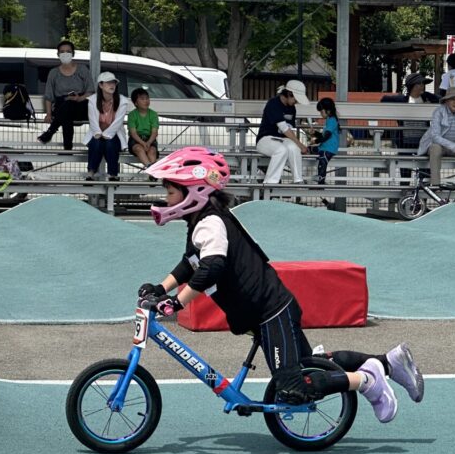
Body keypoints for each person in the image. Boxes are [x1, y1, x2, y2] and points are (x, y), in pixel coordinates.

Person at [139, 146, 426, 422]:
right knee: (308, 363)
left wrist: (177, 302)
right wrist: (160, 289)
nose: (166, 198)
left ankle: (367, 379)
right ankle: (390, 363)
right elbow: (190, 263)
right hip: (264, 311)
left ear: (195, 191)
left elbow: (211, 268)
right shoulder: (201, 223)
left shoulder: (210, 223)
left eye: (171, 191)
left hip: (269, 311)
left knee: (292, 386)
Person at [417, 87, 455, 188]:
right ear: (446, 101)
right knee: (435, 148)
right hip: (441, 146)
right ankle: (435, 184)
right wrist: (453, 146)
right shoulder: (438, 112)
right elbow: (435, 136)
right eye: (452, 99)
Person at [38, 40, 93, 150]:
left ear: (73, 53)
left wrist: (79, 98)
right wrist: (48, 114)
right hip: (61, 106)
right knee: (66, 110)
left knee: (69, 105)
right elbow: (49, 95)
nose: (65, 54)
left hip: (80, 106)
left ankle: (50, 132)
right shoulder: (54, 73)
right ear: (58, 54)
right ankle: (67, 148)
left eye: (68, 51)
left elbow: (91, 91)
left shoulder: (82, 69)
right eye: (62, 52)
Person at [256, 80, 310, 185]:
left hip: (282, 139)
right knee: (281, 150)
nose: (296, 102)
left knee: (294, 147)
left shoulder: (292, 108)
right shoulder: (273, 103)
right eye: (295, 99)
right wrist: (301, 145)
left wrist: (298, 145)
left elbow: (288, 130)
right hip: (265, 139)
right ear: (289, 94)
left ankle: (298, 180)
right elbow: (284, 128)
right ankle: (270, 182)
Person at [84, 72, 131, 182]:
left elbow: (118, 122)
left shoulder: (122, 100)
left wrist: (107, 134)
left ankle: (113, 174)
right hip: (97, 132)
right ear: (100, 85)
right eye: (108, 82)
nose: (112, 85)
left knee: (110, 144)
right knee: (97, 143)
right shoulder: (92, 100)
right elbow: (92, 120)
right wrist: (98, 133)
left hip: (114, 133)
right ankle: (90, 173)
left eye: (113, 82)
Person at [380, 71, 439, 150]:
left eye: (423, 83)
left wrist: (429, 105)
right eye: (419, 83)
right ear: (412, 86)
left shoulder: (427, 97)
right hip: (405, 140)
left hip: (423, 139)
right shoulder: (402, 100)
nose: (422, 86)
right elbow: (384, 99)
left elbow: (441, 100)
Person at [309, 97, 340, 184]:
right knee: (309, 149)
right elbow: (323, 136)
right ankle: (318, 178)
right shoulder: (328, 120)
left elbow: (326, 137)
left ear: (328, 111)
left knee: (323, 160)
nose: (321, 114)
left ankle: (321, 179)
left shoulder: (332, 120)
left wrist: (315, 141)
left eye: (321, 112)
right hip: (324, 147)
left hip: (329, 148)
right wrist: (315, 133)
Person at [126, 87, 160, 166]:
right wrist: (143, 143)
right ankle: (150, 168)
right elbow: (133, 133)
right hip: (136, 140)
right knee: (139, 149)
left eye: (147, 98)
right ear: (136, 103)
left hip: (150, 139)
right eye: (142, 99)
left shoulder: (153, 114)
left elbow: (154, 132)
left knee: (152, 151)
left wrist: (148, 142)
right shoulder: (132, 115)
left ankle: (151, 171)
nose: (146, 101)